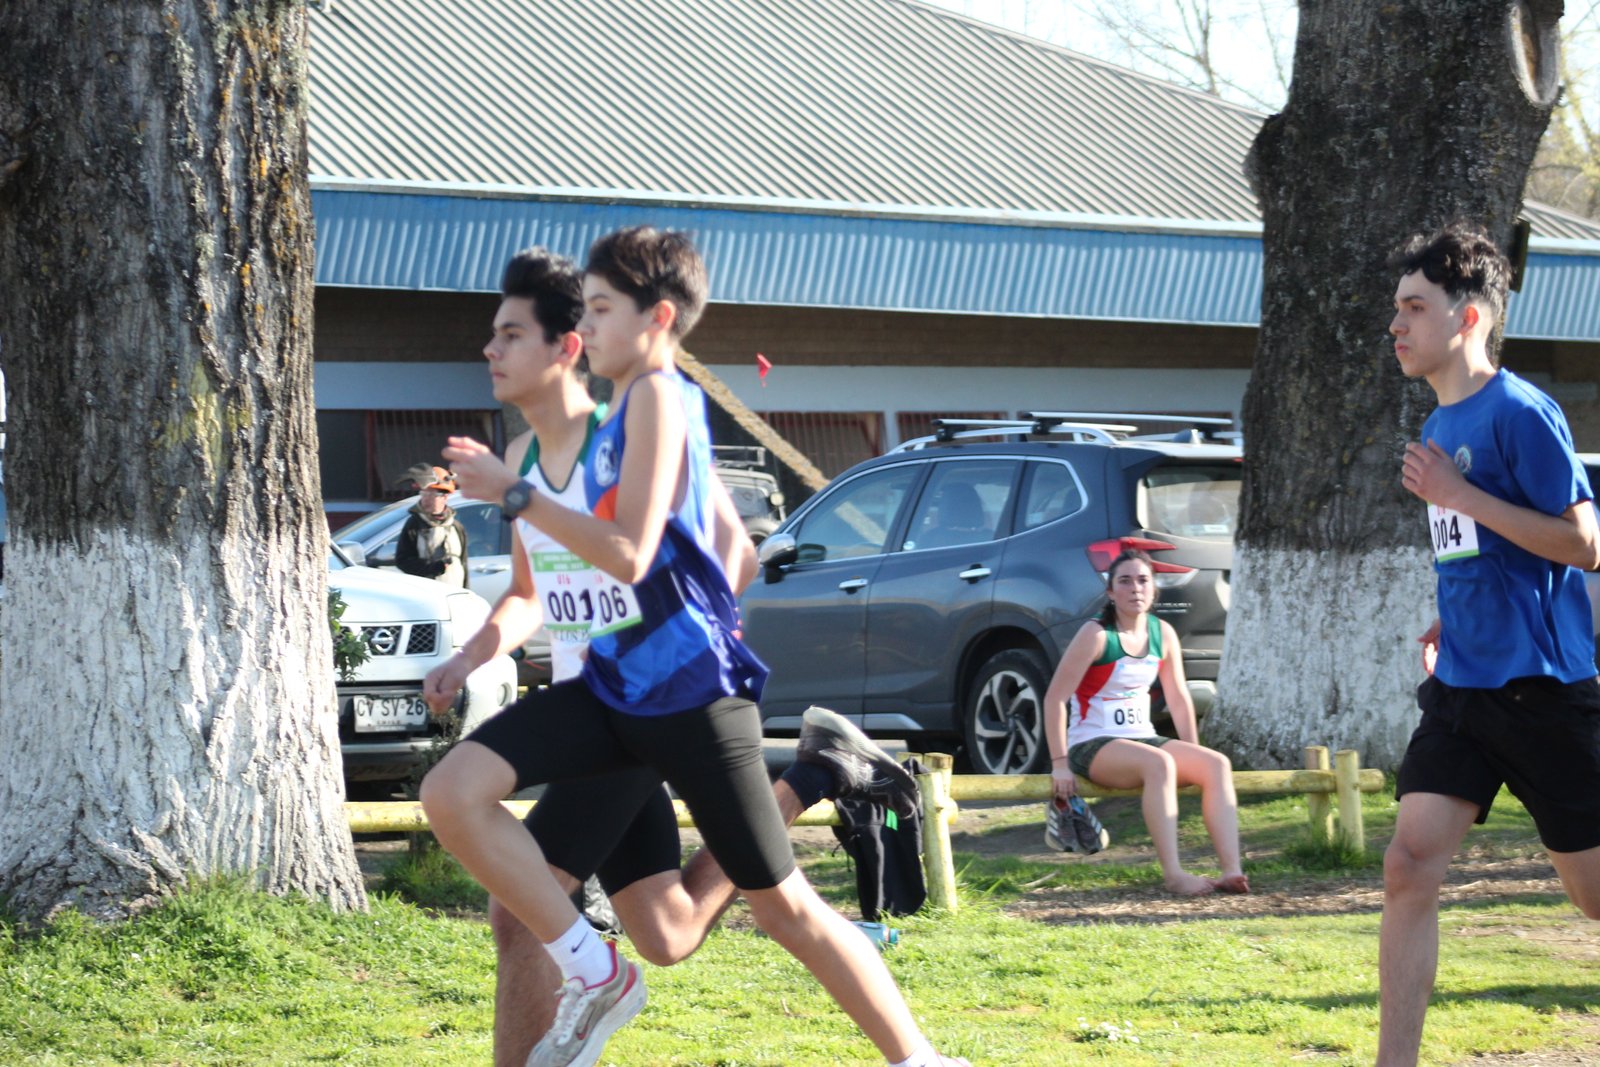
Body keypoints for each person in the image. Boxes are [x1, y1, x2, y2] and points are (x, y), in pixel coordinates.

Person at [421, 228, 967, 1067]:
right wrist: (474, 651)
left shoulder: (650, 402)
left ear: (639, 322)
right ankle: (810, 778)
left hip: (683, 695)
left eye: (602, 309)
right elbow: (598, 576)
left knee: (780, 910)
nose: (488, 349)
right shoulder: (597, 431)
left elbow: (652, 553)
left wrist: (524, 498)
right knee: (663, 929)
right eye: (590, 307)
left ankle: (924, 1060)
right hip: (609, 692)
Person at [1378, 223, 1600, 1067]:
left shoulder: (1522, 412)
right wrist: (1452, 613)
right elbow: (1474, 549)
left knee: (1592, 899)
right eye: (1396, 308)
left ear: (1467, 317)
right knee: (1408, 864)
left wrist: (1460, 490)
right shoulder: (1441, 420)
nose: (1396, 325)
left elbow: (1584, 543)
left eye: (1413, 308)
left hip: (1543, 691)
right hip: (1465, 690)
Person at [1043, 548, 1248, 897]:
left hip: (1142, 738)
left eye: (1143, 580)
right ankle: (1174, 874)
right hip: (1092, 744)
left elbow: (1179, 698)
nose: (1135, 588)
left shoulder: (1162, 632)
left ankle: (1231, 871)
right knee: (1159, 764)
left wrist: (1192, 749)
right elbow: (1054, 700)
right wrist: (1060, 764)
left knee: (1215, 764)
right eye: (1124, 581)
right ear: (1110, 592)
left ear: (1154, 589)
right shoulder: (1095, 634)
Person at [394, 464, 469, 588]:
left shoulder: (456, 527)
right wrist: (432, 568)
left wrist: (467, 594)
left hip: (454, 594)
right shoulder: (414, 524)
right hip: (427, 594)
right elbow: (403, 561)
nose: (425, 499)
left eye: (430, 495)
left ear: (444, 497)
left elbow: (463, 564)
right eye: (423, 494)